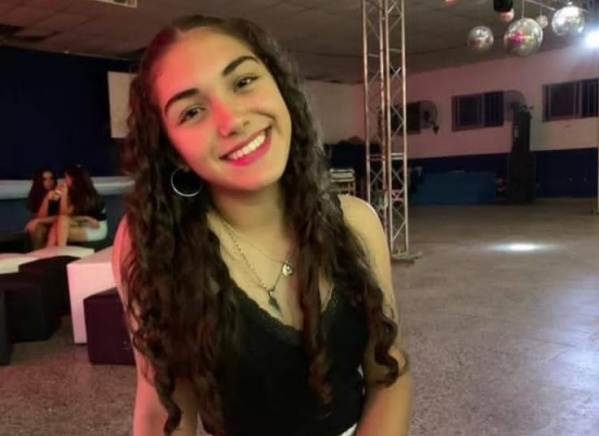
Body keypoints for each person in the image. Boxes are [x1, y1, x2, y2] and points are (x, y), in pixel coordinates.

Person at [112, 14, 411, 436]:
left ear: (280, 87)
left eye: (243, 82)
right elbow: (162, 411)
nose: (231, 120)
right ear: (173, 150)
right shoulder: (155, 246)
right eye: (192, 111)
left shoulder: (357, 223)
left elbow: (388, 373)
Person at [46, 165, 108, 246]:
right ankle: (50, 251)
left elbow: (64, 213)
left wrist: (64, 194)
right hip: (82, 223)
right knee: (60, 223)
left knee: (59, 229)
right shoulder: (74, 193)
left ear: (73, 179)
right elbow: (64, 217)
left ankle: (56, 251)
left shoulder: (87, 197)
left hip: (96, 228)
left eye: (66, 178)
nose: (65, 181)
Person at [24, 168, 60, 248]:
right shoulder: (35, 195)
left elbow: (60, 217)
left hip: (58, 223)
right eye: (45, 179)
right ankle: (39, 254)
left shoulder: (58, 193)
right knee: (38, 229)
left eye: (51, 178)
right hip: (44, 223)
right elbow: (40, 216)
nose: (49, 182)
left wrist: (37, 221)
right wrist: (46, 199)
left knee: (39, 226)